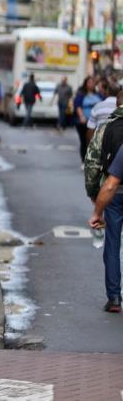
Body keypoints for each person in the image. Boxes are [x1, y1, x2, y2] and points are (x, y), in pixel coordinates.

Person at [87, 116, 123, 313]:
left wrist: (97, 211)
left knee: (113, 244)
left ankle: (115, 297)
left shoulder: (106, 128)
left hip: (116, 196)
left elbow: (110, 184)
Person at [75, 76, 99, 162]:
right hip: (85, 123)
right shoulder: (81, 94)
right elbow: (78, 106)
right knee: (84, 142)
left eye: (93, 82)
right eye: (89, 82)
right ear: (85, 84)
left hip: (97, 123)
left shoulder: (98, 95)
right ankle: (83, 160)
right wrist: (82, 116)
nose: (91, 84)